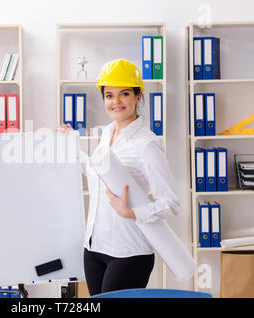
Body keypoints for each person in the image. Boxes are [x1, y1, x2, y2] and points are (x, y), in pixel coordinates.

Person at [55, 58, 180, 296]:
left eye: (124, 94)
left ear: (138, 97)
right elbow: (96, 173)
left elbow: (171, 203)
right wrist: (69, 142)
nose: (116, 102)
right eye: (109, 95)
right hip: (93, 248)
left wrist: (131, 212)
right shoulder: (106, 133)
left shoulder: (147, 144)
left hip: (128, 252)